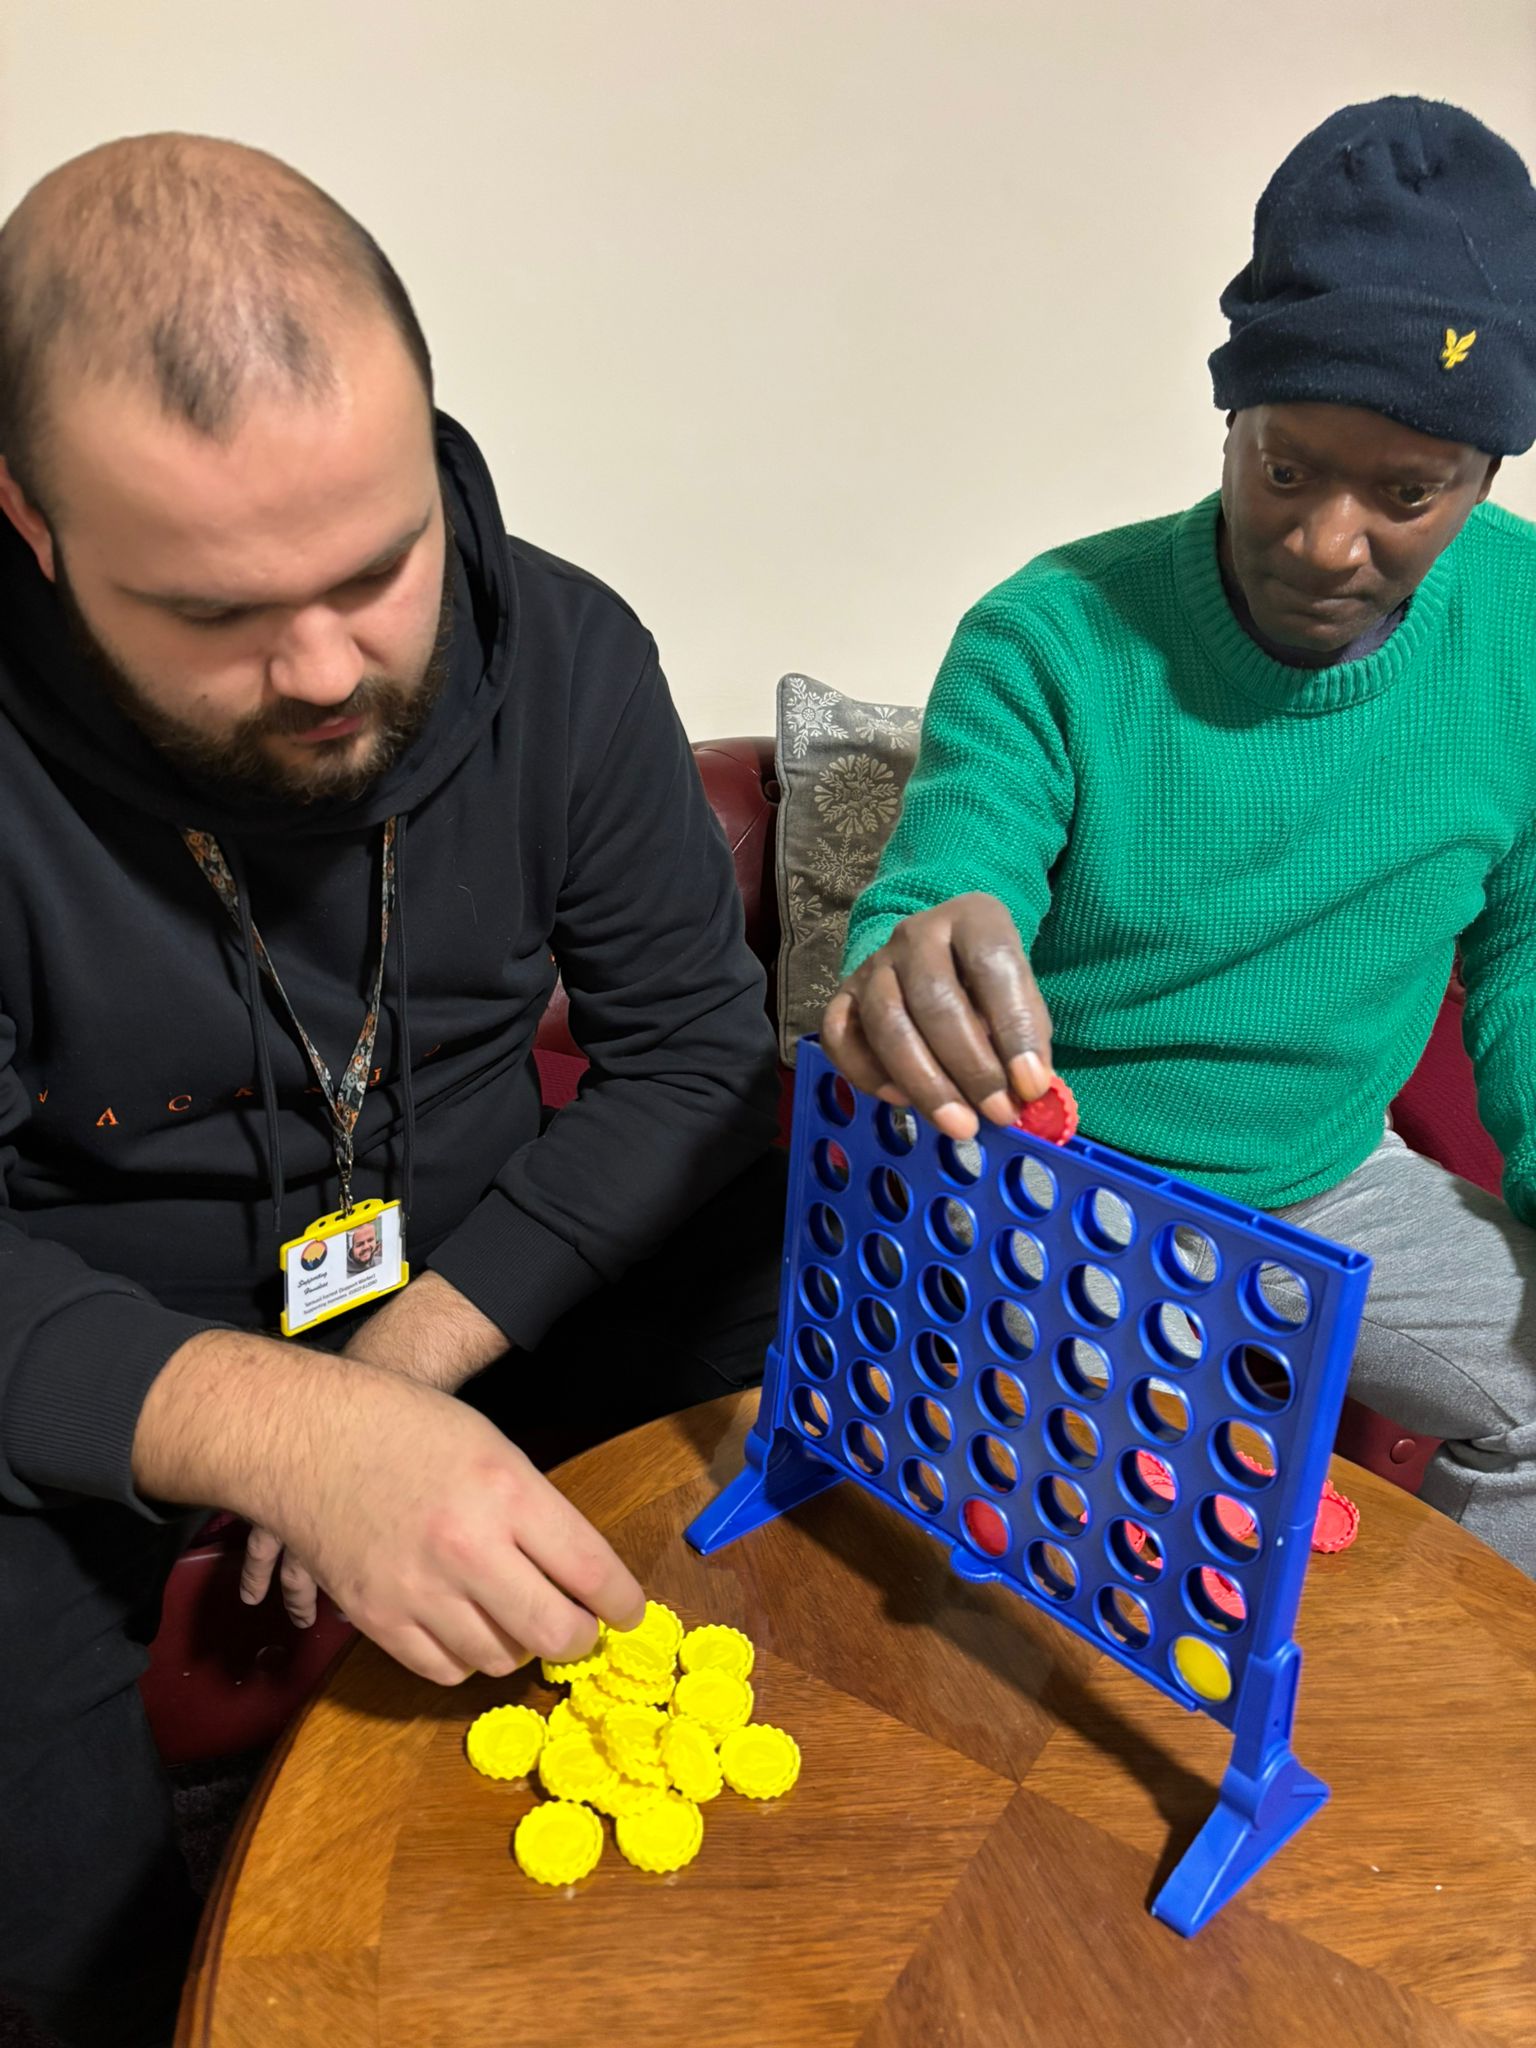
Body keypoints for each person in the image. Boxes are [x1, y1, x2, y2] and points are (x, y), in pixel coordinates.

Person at [0, 135, 781, 2046]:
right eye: (213, 616)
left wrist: (411, 1362)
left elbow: (692, 1048)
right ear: (30, 527)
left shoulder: (571, 648)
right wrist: (276, 1434)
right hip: (94, 1381)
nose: (328, 671)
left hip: (477, 1292)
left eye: (379, 567)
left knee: (790, 1210)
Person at [826, 96, 1536, 1579]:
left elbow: (1523, 947)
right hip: (1059, 1182)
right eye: (1285, 467)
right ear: (1233, 416)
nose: (1329, 543)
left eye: (1406, 496)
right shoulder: (1052, 632)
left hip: (1337, 1185)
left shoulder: (1521, 632)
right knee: (1089, 1537)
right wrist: (918, 958)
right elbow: (948, 872)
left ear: (1485, 477)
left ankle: (1461, 1702)